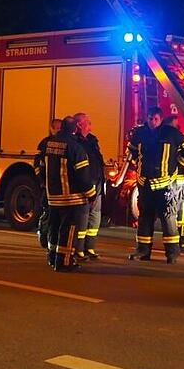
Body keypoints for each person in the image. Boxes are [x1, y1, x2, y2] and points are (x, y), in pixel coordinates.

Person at [127, 107, 184, 264]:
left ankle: (172, 253)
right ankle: (143, 250)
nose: (152, 122)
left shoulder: (171, 133)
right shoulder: (140, 133)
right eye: (150, 118)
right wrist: (138, 164)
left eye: (156, 119)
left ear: (161, 119)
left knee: (168, 218)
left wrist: (179, 164)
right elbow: (132, 150)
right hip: (145, 184)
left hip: (166, 185)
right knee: (145, 218)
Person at [35, 116, 97, 272]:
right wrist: (91, 194)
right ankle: (65, 262)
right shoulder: (75, 148)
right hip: (71, 199)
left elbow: (40, 167)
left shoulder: (48, 144)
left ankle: (52, 258)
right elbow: (83, 176)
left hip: (53, 197)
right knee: (68, 231)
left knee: (54, 228)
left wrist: (45, 185)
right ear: (75, 129)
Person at [161, 115, 184, 253]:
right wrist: (180, 164)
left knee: (175, 214)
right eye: (177, 125)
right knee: (181, 214)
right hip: (177, 183)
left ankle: (178, 242)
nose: (179, 128)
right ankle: (181, 243)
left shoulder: (166, 141)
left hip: (173, 182)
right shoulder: (174, 140)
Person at [73, 112, 106, 261]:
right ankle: (78, 249)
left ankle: (89, 247)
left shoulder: (92, 140)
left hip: (96, 185)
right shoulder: (76, 142)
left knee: (94, 218)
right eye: (88, 123)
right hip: (84, 187)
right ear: (79, 125)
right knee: (82, 219)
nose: (91, 126)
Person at [35, 118, 62, 249]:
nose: (59, 131)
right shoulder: (45, 144)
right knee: (47, 213)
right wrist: (42, 181)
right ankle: (43, 235)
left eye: (61, 128)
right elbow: (38, 165)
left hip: (58, 186)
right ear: (51, 129)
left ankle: (52, 240)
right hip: (48, 186)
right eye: (57, 128)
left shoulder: (63, 143)